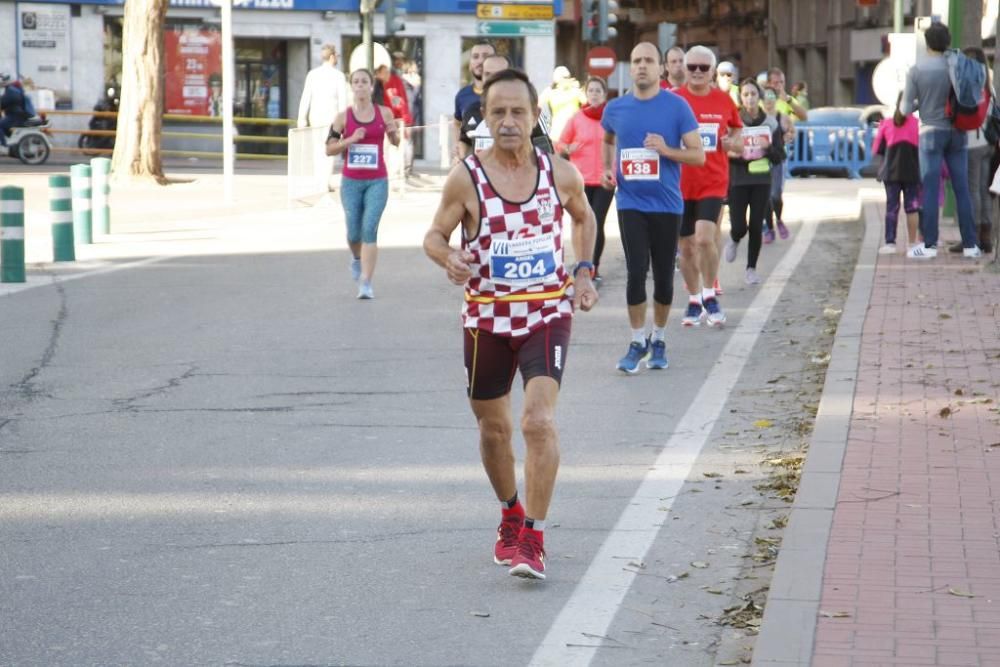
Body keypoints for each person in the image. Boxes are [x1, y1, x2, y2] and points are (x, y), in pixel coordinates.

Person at [423, 68, 599, 581]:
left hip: (546, 312)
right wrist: (447, 257)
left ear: (534, 115)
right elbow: (433, 236)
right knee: (494, 429)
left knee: (537, 422)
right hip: (486, 319)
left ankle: (534, 539)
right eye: (496, 111)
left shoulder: (559, 173)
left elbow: (584, 217)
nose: (507, 121)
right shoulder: (467, 178)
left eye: (517, 111)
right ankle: (510, 513)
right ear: (484, 117)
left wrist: (583, 270)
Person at [601, 42, 705, 372]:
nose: (642, 66)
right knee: (635, 272)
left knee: (662, 277)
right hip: (630, 201)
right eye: (636, 61)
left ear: (660, 68)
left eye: (648, 60)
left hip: (666, 204)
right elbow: (607, 139)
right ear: (629, 68)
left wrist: (666, 149)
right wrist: (607, 168)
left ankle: (658, 338)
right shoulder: (615, 109)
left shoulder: (677, 107)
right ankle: (636, 342)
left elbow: (698, 155)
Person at [900, 21, 980, 258]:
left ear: (927, 43)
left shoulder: (917, 70)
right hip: (958, 131)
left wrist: (919, 103)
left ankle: (930, 245)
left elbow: (905, 109)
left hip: (931, 133)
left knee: (931, 188)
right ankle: (970, 245)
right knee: (962, 188)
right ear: (948, 42)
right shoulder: (958, 66)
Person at [675, 46, 742, 327]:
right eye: (693, 67)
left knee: (704, 238)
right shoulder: (674, 100)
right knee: (686, 248)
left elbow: (737, 131)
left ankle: (709, 293)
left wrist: (732, 142)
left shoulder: (724, 100)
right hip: (678, 183)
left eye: (704, 67)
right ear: (685, 69)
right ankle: (694, 300)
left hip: (713, 180)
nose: (698, 72)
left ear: (713, 71)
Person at [325, 69, 400, 300]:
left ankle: (366, 283)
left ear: (371, 86)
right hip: (351, 182)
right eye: (356, 81)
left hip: (377, 180)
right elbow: (329, 149)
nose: (360, 85)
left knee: (369, 228)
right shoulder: (342, 117)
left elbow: (395, 141)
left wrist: (393, 132)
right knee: (353, 231)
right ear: (352, 86)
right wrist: (350, 139)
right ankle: (357, 258)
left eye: (364, 81)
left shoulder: (384, 112)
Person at [725, 79, 786, 285]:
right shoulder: (733, 122)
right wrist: (738, 153)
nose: (750, 98)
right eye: (746, 94)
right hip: (738, 179)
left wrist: (767, 148)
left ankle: (751, 268)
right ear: (740, 97)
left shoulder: (771, 123)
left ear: (758, 97)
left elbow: (780, 156)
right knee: (740, 226)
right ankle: (734, 238)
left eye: (753, 94)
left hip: (761, 180)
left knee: (756, 225)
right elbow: (724, 151)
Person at [557, 76, 615, 286]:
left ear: (604, 94)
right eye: (591, 90)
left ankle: (593, 266)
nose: (594, 94)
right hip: (579, 180)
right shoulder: (576, 118)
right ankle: (581, 261)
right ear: (586, 94)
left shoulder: (612, 118)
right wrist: (566, 149)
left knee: (596, 221)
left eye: (598, 91)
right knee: (579, 222)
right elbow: (560, 143)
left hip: (604, 179)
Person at [458, 54, 553, 158]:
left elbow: (546, 155)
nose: (492, 79)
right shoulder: (471, 110)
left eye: (499, 74)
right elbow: (465, 141)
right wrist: (460, 158)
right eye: (487, 74)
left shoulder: (528, 111)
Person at [950, 47, 993, 255]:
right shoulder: (988, 82)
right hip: (989, 143)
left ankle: (972, 236)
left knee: (972, 189)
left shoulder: (968, 82)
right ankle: (987, 236)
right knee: (984, 189)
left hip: (972, 143)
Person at [872, 95, 921, 255]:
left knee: (892, 207)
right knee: (912, 208)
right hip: (912, 171)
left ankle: (890, 243)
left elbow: (876, 149)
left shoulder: (886, 123)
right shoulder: (917, 124)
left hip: (891, 171)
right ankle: (912, 244)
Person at [452, 41, 496, 164]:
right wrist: (458, 150)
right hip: (477, 169)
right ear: (470, 64)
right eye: (475, 57)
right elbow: (457, 124)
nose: (480, 61)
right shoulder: (462, 96)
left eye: (486, 56)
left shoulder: (512, 95)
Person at [760, 85, 794, 243]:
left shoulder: (782, 117)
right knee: (765, 197)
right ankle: (769, 229)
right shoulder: (758, 117)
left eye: (771, 97)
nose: (768, 101)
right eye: (765, 97)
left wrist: (788, 136)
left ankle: (779, 219)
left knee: (775, 195)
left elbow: (792, 131)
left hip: (778, 159)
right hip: (761, 160)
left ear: (775, 99)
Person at [296, 44, 349, 129]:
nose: (337, 58)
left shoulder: (312, 75)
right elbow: (343, 103)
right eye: (337, 56)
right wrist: (344, 124)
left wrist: (301, 120)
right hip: (333, 122)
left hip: (315, 122)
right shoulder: (339, 76)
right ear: (332, 57)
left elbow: (305, 99)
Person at [538, 66, 586, 142]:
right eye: (565, 77)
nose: (567, 79)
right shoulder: (551, 92)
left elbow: (588, 104)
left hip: (574, 134)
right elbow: (536, 104)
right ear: (557, 80)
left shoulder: (575, 91)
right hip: (557, 134)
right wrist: (544, 122)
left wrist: (580, 89)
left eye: (568, 77)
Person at [0, 75, 32, 151]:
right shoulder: (14, 90)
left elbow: (3, 102)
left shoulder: (10, 92)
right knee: (4, 126)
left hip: (15, 116)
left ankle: (4, 146)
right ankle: (9, 143)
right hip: (17, 115)